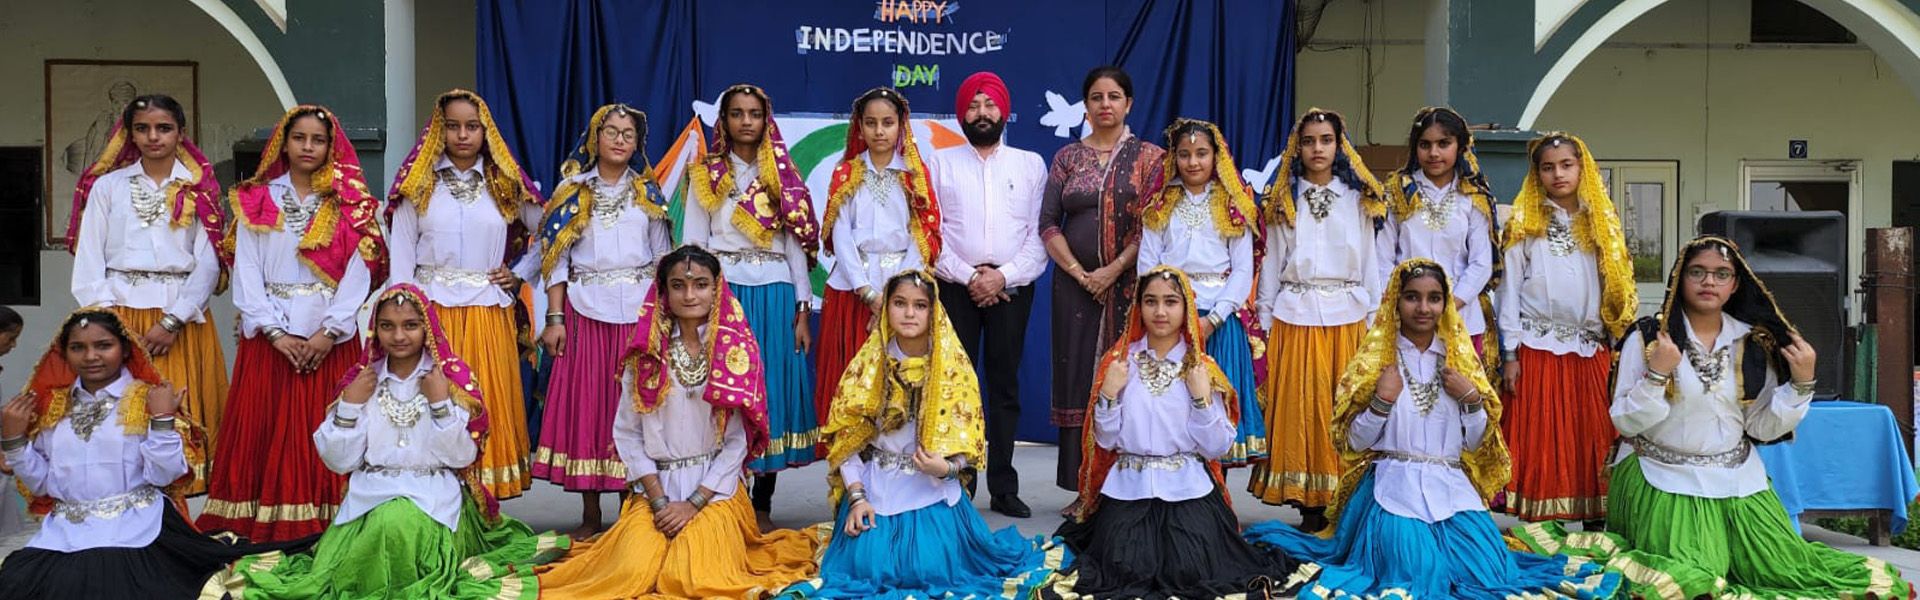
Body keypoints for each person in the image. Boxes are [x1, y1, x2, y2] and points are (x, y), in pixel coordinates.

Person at [1515, 236, 1915, 598]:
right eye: (1698, 272)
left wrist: (1802, 383)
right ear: (1680, 278)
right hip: (1663, 476)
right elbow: (1626, 422)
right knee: (1693, 576)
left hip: (1740, 481)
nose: (1709, 281)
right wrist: (1658, 375)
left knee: (1786, 570)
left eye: (1721, 274)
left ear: (1735, 284)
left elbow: (1761, 427)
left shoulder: (1753, 341)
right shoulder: (1650, 337)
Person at [1243, 260, 1621, 598]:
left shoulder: (1461, 363)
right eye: (1412, 297)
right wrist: (1381, 401)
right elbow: (1354, 442)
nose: (1423, 308)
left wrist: (1471, 399)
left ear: (1445, 304)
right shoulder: (1375, 363)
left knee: (1487, 571)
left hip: (1451, 488)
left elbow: (1477, 443)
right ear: (1396, 302)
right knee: (1414, 572)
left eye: (1434, 298)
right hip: (1394, 486)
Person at [211, 283, 570, 598]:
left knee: (398, 525)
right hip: (370, 495)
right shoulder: (361, 381)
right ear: (375, 330)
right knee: (380, 530)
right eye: (388, 326)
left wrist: (440, 404)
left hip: (431, 497)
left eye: (410, 325)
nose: (399, 336)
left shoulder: (449, 379)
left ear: (427, 327)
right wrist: (350, 406)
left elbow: (462, 457)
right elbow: (339, 461)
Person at [535, 245, 824, 598]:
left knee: (692, 572)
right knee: (631, 570)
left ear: (716, 289)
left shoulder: (735, 351)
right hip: (655, 489)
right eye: (678, 285)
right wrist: (659, 501)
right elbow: (626, 433)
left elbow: (738, 441)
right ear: (664, 292)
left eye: (700, 285)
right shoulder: (645, 354)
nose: (689, 295)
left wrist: (695, 502)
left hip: (715, 490)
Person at [782, 270, 1067, 599]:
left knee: (931, 570)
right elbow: (846, 441)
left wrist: (947, 468)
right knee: (870, 569)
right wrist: (857, 498)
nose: (909, 313)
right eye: (899, 303)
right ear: (886, 308)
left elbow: (967, 439)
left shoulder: (953, 368)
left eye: (919, 305)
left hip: (932, 489)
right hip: (876, 490)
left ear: (934, 312)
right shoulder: (868, 366)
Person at [0, 308, 306, 598]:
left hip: (137, 528)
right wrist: (14, 440)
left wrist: (162, 422)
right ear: (64, 354)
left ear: (125, 349)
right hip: (63, 535)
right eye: (78, 348)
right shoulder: (51, 407)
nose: (91, 356)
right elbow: (41, 485)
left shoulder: (147, 398)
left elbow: (164, 476)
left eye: (103, 345)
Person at [1042, 266, 1298, 600]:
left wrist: (1201, 399)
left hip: (1188, 491)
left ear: (1186, 307)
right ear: (1139, 307)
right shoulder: (1119, 364)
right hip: (1129, 489)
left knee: (1189, 570)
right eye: (1151, 301)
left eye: (1170, 302)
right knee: (1123, 568)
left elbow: (1217, 447)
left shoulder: (1202, 368)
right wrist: (1108, 396)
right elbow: (1105, 440)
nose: (1160, 311)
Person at [198, 105, 383, 542]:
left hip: (330, 336)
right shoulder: (257, 198)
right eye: (299, 137)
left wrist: (329, 332)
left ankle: (330, 521)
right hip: (270, 337)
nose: (308, 147)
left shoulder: (351, 204)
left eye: (318, 139)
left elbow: (360, 272)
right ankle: (258, 522)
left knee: (324, 427)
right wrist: (275, 333)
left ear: (331, 146)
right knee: (263, 429)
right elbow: (247, 271)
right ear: (284, 143)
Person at [387, 89, 545, 499]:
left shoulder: (504, 183)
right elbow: (401, 253)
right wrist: (403, 314)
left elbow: (551, 229)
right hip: (430, 312)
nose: (462, 135)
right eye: (453, 126)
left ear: (485, 131)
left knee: (486, 400)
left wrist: (519, 274)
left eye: (471, 126)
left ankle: (485, 500)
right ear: (439, 131)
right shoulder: (419, 184)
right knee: (434, 401)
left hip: (487, 310)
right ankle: (433, 497)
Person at [68, 94, 230, 489]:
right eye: (142, 128)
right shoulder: (108, 186)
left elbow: (208, 262)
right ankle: (122, 488)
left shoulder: (198, 189)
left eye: (164, 128)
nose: (153, 137)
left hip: (181, 315)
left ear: (180, 133)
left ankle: (187, 495)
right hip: (120, 315)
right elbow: (89, 257)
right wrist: (109, 325)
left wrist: (173, 321)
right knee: (122, 406)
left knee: (180, 405)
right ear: (129, 134)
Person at [683, 84, 823, 524]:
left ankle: (762, 501)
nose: (746, 121)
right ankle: (728, 499)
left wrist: (803, 309)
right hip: (724, 294)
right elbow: (693, 242)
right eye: (737, 113)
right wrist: (695, 301)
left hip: (775, 292)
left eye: (755, 113)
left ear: (766, 120)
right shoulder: (705, 174)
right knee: (725, 394)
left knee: (771, 390)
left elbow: (795, 248)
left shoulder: (782, 176)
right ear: (723, 121)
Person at [531, 103, 673, 539]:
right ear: (595, 138)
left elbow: (662, 258)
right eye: (611, 131)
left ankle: (632, 508)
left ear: (637, 143)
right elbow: (556, 262)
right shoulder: (572, 191)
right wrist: (555, 318)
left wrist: (661, 318)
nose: (619, 140)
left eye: (628, 134)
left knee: (635, 407)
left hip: (637, 315)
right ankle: (590, 513)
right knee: (589, 408)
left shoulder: (648, 192)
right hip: (584, 311)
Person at [1250, 109, 1390, 533]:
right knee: (1301, 408)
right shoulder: (1283, 200)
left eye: (1326, 140)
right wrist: (1265, 323)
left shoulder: (1359, 197)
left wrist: (1375, 324)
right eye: (1309, 141)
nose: (1317, 149)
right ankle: (1307, 502)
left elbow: (1371, 264)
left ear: (1339, 145)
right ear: (1298, 147)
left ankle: (1342, 497)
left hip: (1348, 314)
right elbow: (1272, 265)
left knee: (1342, 407)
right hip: (1294, 314)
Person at [1041, 66, 1165, 515]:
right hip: (1074, 289)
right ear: (1086, 106)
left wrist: (1111, 271)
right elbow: (1048, 223)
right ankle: (1084, 489)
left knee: (1125, 378)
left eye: (1114, 97)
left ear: (1128, 104)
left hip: (1129, 286)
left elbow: (1152, 224)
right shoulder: (1067, 157)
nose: (1105, 104)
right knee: (1078, 379)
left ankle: (1124, 486)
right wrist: (1081, 274)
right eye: (1096, 97)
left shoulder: (1150, 158)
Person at [1496, 133, 1637, 527]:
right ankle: (1544, 532)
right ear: (1537, 174)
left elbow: (1618, 285)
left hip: (1591, 349)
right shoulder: (1524, 223)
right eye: (1548, 167)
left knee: (1594, 437)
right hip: (1536, 346)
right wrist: (1510, 353)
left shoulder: (1602, 223)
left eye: (1566, 165)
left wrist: (1621, 346)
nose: (1558, 174)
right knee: (1542, 440)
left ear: (1582, 167)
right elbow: (1508, 291)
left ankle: (1597, 526)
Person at [928, 71, 1048, 519]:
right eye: (973, 106)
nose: (982, 113)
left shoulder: (1030, 164)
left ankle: (1003, 486)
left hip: (1011, 288)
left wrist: (1002, 277)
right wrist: (969, 277)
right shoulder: (939, 163)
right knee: (956, 385)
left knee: (1003, 386)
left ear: (1004, 111)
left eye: (990, 104)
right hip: (954, 286)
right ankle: (958, 482)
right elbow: (931, 233)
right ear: (962, 114)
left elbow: (1039, 235)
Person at [814, 88, 941, 454]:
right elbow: (840, 234)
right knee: (850, 378)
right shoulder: (846, 173)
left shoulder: (914, 176)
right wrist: (867, 292)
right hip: (852, 291)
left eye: (888, 122)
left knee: (897, 379)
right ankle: (849, 469)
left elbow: (924, 234)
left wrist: (895, 294)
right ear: (859, 127)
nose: (879, 131)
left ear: (901, 125)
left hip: (905, 292)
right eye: (871, 123)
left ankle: (893, 465)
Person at [1137, 118, 1263, 468]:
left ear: (1216, 156)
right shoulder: (1161, 203)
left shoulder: (1234, 203)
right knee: (1174, 405)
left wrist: (1215, 318)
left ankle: (1217, 495)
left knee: (1216, 408)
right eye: (1185, 154)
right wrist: (1164, 309)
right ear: (1173, 158)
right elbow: (1147, 263)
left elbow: (1243, 269)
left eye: (1202, 153)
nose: (1193, 162)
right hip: (1170, 317)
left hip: (1218, 319)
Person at [1378, 107, 1499, 365]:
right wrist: (1408, 303)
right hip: (1407, 316)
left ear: (1461, 146)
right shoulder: (1398, 191)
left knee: (1459, 386)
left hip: (1461, 317)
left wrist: (1446, 305)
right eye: (1425, 145)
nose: (1434, 153)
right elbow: (1382, 259)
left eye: (1443, 144)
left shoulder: (1473, 195)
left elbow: (1481, 263)